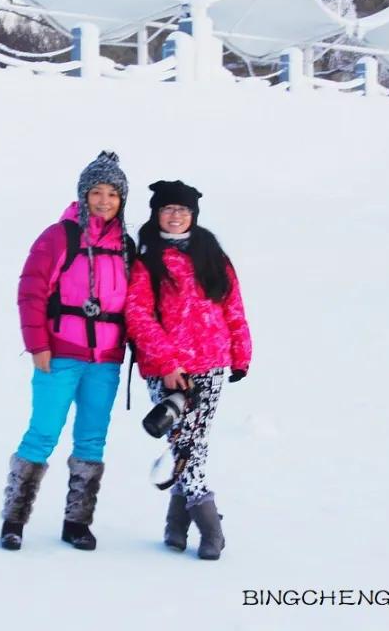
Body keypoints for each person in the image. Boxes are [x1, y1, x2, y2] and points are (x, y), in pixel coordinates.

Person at [0, 151, 133, 552]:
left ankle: (77, 522)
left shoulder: (127, 245)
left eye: (113, 193)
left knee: (92, 439)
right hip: (59, 354)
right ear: (83, 194)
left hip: (105, 360)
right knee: (42, 433)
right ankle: (14, 519)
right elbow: (31, 289)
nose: (104, 201)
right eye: (97, 192)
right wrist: (37, 344)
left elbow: (139, 302)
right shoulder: (59, 236)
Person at [126, 180, 252, 560]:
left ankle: (177, 526)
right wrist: (166, 364)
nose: (176, 215)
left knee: (191, 445)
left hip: (211, 363)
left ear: (193, 215)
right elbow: (138, 314)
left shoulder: (212, 254)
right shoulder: (147, 259)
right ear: (156, 213)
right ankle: (210, 527)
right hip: (167, 370)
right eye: (168, 209)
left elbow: (232, 306)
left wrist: (241, 353)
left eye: (183, 210)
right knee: (186, 446)